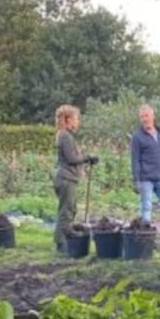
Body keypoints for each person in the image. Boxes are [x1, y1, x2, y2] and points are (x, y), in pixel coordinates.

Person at [53, 104, 98, 250]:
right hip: (66, 179)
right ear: (68, 120)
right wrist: (87, 157)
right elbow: (72, 158)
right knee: (66, 211)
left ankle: (63, 239)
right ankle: (61, 242)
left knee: (70, 209)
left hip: (68, 178)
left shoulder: (66, 135)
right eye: (76, 119)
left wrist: (85, 158)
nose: (78, 122)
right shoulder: (65, 136)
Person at [130, 104, 160, 229]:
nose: (144, 119)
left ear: (153, 116)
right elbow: (135, 160)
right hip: (146, 178)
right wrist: (136, 181)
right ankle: (145, 235)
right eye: (142, 117)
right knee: (146, 208)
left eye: (146, 116)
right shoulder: (137, 137)